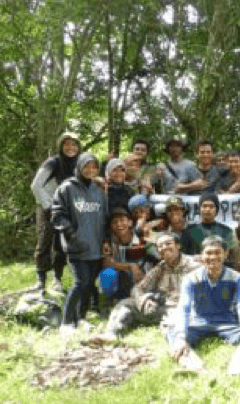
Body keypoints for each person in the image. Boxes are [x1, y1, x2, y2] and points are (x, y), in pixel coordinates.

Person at [167, 236, 240, 375]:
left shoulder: (237, 278)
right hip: (198, 321)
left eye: (217, 252)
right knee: (173, 333)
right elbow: (184, 308)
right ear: (201, 256)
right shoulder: (190, 279)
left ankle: (238, 366)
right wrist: (180, 338)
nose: (213, 257)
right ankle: (194, 366)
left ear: (226, 254)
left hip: (227, 321)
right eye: (208, 253)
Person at [93, 232, 199, 341]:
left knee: (176, 325)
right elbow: (138, 288)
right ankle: (111, 333)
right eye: (160, 246)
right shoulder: (161, 268)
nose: (164, 248)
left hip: (184, 309)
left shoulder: (194, 266)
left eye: (168, 244)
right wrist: (144, 300)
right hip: (162, 307)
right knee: (126, 304)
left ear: (178, 246)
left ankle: (178, 340)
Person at [52, 153, 107, 337]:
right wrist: (72, 235)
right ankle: (66, 322)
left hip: (95, 246)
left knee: (89, 284)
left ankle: (81, 318)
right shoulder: (66, 188)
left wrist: (105, 240)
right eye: (87, 166)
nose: (90, 170)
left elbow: (104, 218)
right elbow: (57, 215)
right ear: (79, 167)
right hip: (76, 246)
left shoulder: (98, 191)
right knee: (80, 282)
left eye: (94, 167)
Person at [31, 132, 81, 292]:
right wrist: (48, 206)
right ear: (61, 146)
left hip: (67, 209)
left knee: (61, 245)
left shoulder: (79, 163)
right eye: (67, 144)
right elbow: (36, 185)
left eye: (74, 144)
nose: (70, 147)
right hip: (47, 207)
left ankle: (57, 280)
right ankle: (41, 280)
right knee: (44, 242)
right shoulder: (53, 162)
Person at [100, 207, 157, 301]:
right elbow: (107, 262)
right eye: (115, 222)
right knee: (107, 273)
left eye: (122, 220)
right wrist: (130, 266)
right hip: (124, 275)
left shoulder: (142, 237)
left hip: (144, 273)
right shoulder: (108, 242)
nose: (119, 224)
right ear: (111, 227)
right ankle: (114, 297)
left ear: (130, 222)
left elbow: (156, 257)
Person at [181, 192, 240, 272]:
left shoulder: (227, 231)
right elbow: (182, 256)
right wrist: (195, 258)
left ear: (216, 209)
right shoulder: (189, 231)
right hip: (195, 272)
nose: (207, 209)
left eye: (211, 206)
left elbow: (233, 257)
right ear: (199, 208)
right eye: (204, 206)